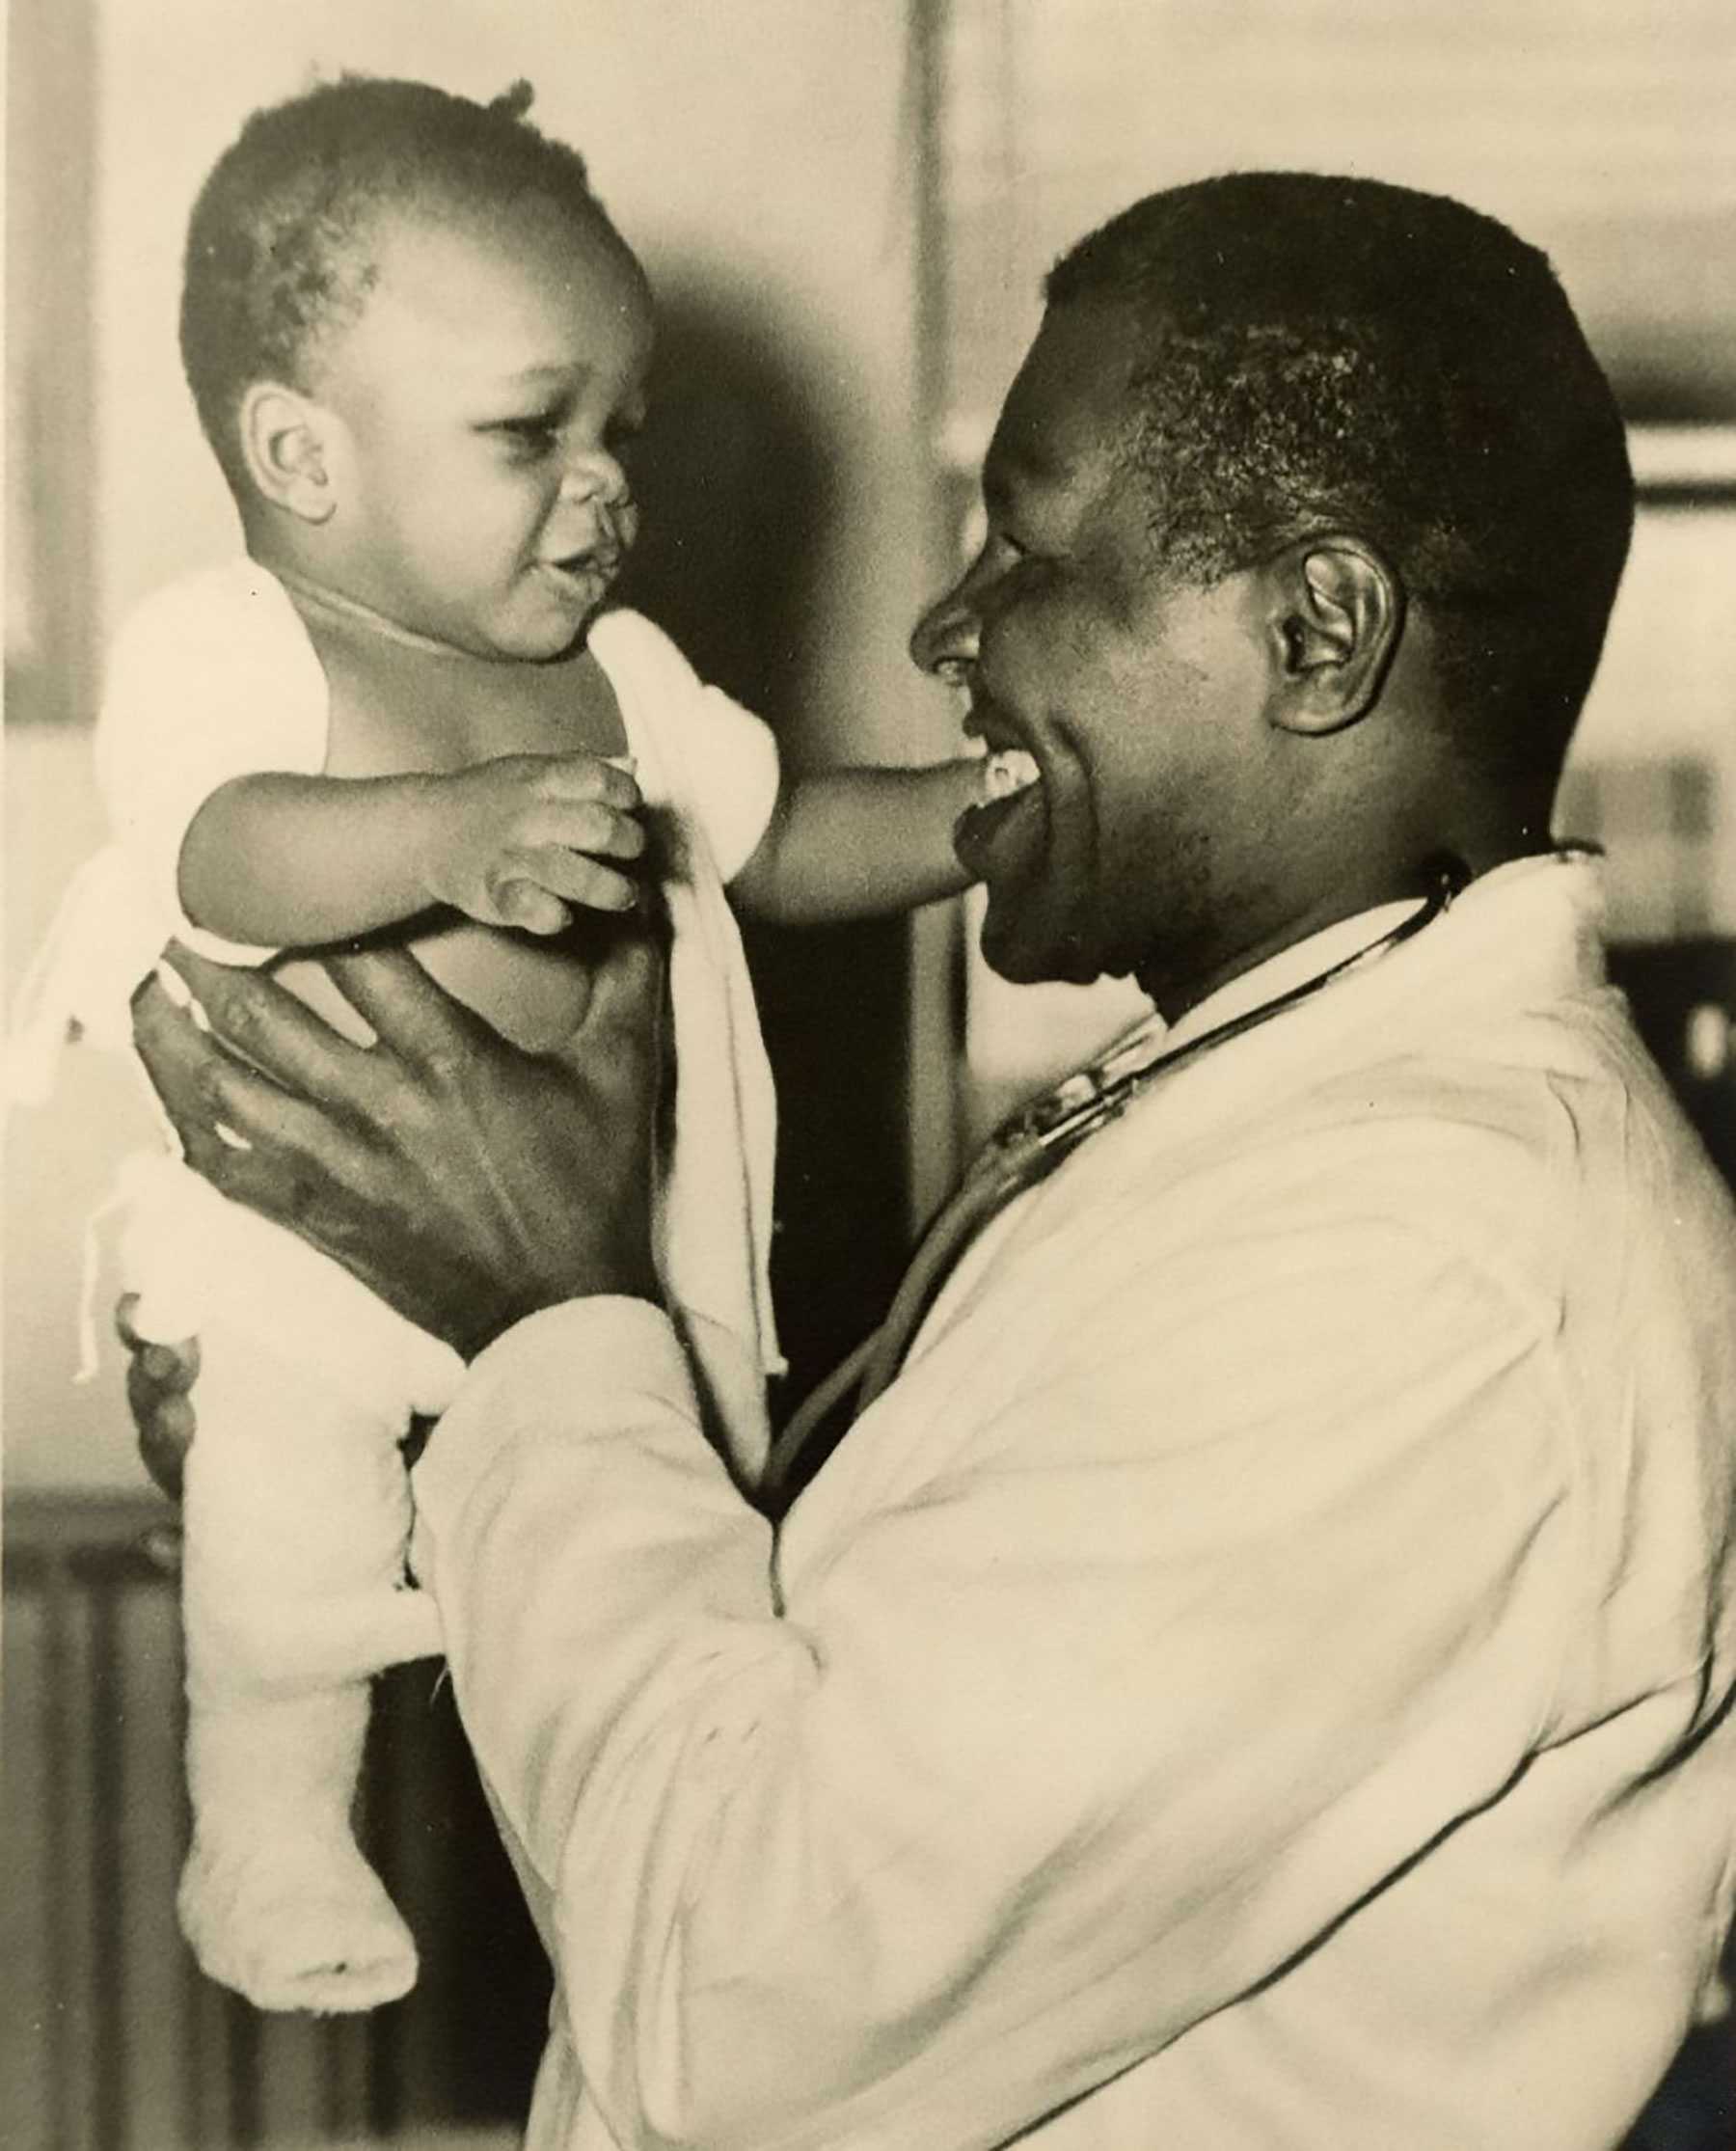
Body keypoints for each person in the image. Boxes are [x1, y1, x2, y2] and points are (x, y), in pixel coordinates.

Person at [127, 173, 1736, 2148]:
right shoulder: (1279, 1109)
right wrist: (407, 1423)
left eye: (1031, 546)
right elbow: (788, 1704)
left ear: (1319, 630)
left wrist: (552, 1319)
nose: (939, 624)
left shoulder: (1434, 1269)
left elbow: (739, 1996)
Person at [10, 74, 982, 2016]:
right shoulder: (238, 648)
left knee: (658, 1611)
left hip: (604, 1266)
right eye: (533, 431)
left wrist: (988, 809)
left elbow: (778, 833)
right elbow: (219, 841)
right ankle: (266, 1815)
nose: (607, 482)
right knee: (286, 1534)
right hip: (316, 1259)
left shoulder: (620, 680)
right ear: (300, 455)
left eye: (623, 426)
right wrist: (450, 830)